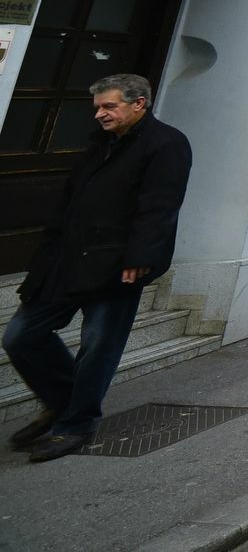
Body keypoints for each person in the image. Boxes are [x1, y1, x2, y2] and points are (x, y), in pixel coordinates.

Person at [5, 75, 192, 461]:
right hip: (65, 260)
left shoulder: (167, 143)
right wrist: (45, 255)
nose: (100, 114)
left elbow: (160, 205)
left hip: (117, 265)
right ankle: (63, 402)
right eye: (98, 108)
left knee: (98, 347)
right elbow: (71, 202)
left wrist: (140, 258)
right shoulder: (100, 143)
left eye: (109, 107)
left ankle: (75, 424)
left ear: (138, 103)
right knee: (21, 336)